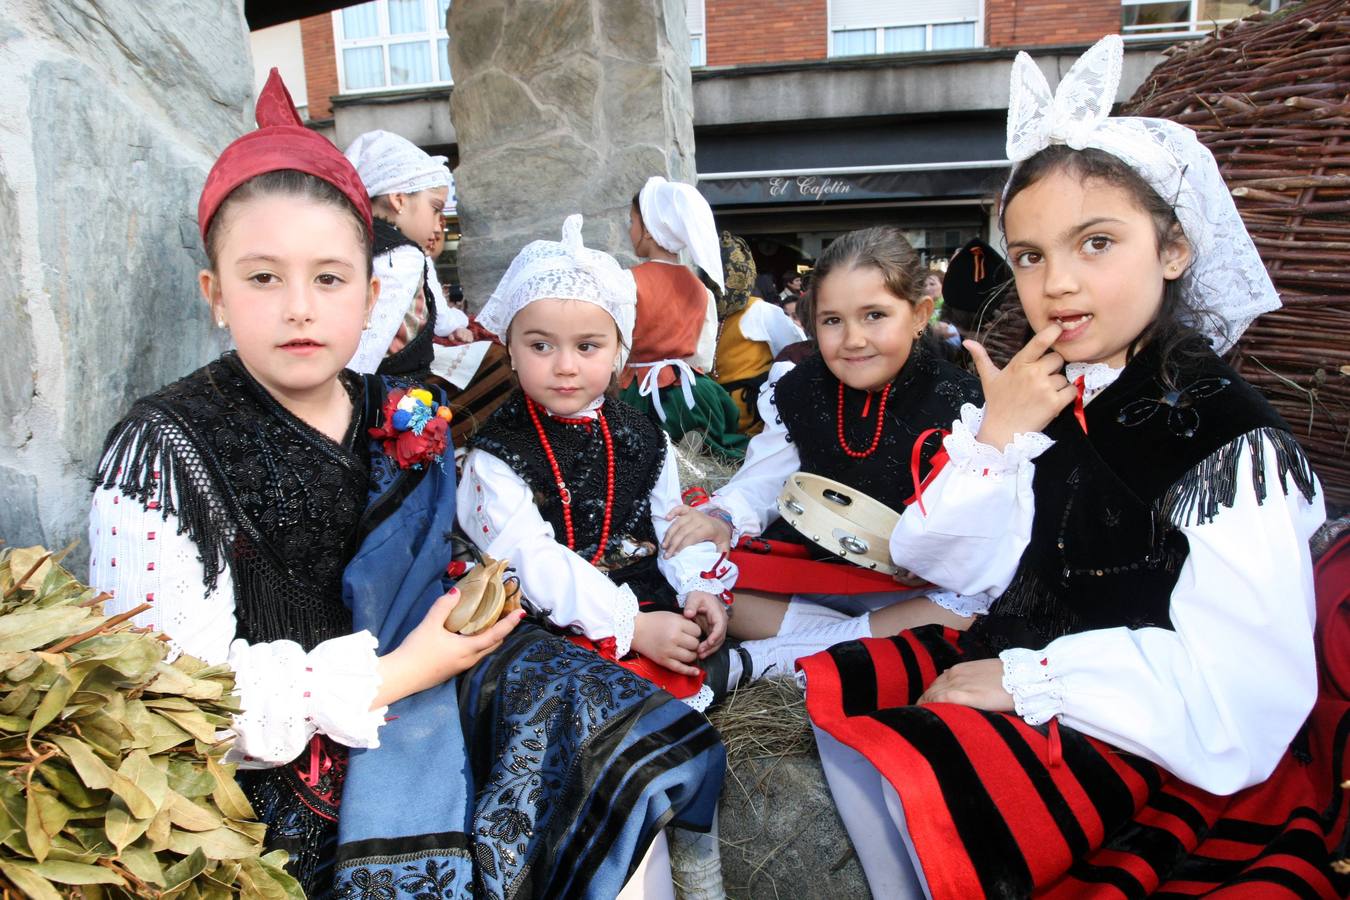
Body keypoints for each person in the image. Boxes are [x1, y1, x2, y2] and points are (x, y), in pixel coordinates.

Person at [88, 71, 724, 900]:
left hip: (441, 675)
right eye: (261, 278)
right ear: (215, 295)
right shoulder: (164, 447)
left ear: (372, 290)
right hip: (297, 753)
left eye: (328, 278)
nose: (299, 310)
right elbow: (170, 699)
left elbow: (449, 563)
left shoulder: (398, 410)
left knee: (628, 743)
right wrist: (398, 675)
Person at [799, 36, 1344, 897]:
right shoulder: (1049, 388)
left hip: (1134, 721)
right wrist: (996, 442)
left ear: (1174, 250)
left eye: (1096, 242)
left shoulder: (1227, 442)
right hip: (1016, 645)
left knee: (906, 801)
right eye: (1030, 255)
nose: (1056, 284)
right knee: (814, 711)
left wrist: (1032, 680)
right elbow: (946, 563)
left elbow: (1247, 688)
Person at [662, 226, 984, 690]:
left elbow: (976, 527)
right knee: (697, 575)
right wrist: (724, 518)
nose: (853, 339)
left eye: (874, 315)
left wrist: (937, 554)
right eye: (833, 320)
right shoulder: (799, 389)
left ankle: (764, 658)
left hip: (912, 587)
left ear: (918, 315)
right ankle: (850, 644)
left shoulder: (962, 403)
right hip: (812, 572)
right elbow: (764, 479)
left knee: (972, 610)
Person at [461, 214, 739, 710]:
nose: (565, 365)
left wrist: (699, 586)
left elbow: (670, 522)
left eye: (587, 346)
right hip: (541, 610)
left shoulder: (639, 431)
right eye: (541, 345)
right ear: (510, 349)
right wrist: (630, 625)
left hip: (637, 590)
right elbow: (527, 556)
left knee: (694, 652)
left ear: (618, 351)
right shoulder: (499, 450)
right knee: (574, 695)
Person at [619, 176, 748, 459]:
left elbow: (619, 343)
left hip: (642, 390)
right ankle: (688, 447)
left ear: (650, 231)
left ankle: (667, 452)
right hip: (693, 390)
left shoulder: (627, 282)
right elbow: (703, 356)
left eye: (632, 222)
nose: (630, 230)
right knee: (714, 447)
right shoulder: (700, 289)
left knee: (633, 449)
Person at [343, 129, 473, 378]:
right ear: (399, 199)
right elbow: (366, 350)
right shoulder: (402, 256)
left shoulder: (356, 239)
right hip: (391, 395)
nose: (437, 226)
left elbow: (442, 317)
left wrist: (453, 324)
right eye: (435, 209)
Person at [712, 232, 806, 435]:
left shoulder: (761, 311)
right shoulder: (706, 313)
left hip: (755, 423)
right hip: (716, 418)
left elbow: (794, 352)